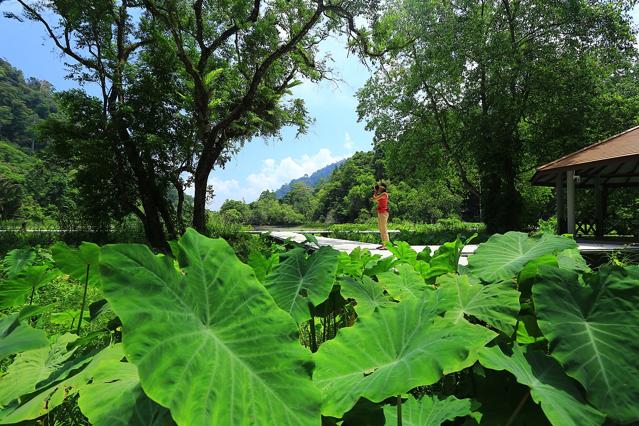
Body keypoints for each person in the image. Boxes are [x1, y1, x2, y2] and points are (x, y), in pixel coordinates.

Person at [372, 183, 390, 249]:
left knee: (384, 229)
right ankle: (384, 244)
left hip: (384, 213)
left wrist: (376, 192)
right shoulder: (381, 195)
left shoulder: (384, 194)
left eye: (380, 187)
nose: (379, 188)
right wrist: (375, 191)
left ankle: (387, 245)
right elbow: (374, 198)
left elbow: (375, 199)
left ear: (384, 188)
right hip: (380, 212)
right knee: (381, 229)